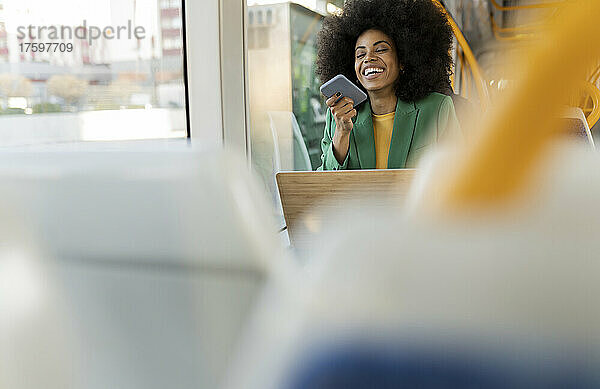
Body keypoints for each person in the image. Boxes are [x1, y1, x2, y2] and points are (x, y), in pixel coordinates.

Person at [316, 0, 462, 171]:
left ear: (403, 60)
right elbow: (324, 182)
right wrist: (341, 132)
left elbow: (460, 176)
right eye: (360, 54)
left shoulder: (438, 109)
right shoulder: (338, 116)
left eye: (381, 50)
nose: (368, 58)